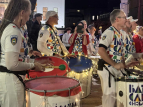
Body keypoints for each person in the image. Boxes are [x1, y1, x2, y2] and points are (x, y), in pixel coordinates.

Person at [0, 0, 46, 107]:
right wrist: (33, 65)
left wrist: (35, 61)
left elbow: (19, 57)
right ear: (22, 13)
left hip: (13, 79)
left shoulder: (14, 29)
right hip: (11, 81)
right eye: (28, 14)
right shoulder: (13, 32)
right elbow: (12, 64)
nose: (29, 18)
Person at [97, 9, 138, 107]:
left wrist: (126, 63)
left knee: (116, 96)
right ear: (117, 19)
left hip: (115, 69)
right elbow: (101, 50)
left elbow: (120, 52)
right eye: (124, 17)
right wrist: (115, 64)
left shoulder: (120, 33)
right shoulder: (109, 32)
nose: (126, 20)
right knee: (109, 98)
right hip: (107, 68)